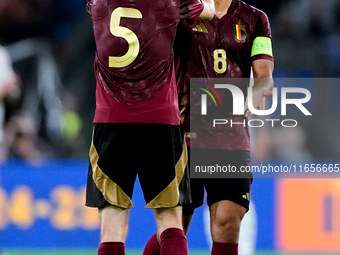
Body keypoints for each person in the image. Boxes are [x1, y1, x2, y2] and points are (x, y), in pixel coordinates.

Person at [143, 0, 274, 254]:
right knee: (174, 227)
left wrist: (260, 90)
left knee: (228, 221)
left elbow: (264, 73)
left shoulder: (256, 19)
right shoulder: (183, 11)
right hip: (182, 135)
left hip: (230, 139)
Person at [85, 1, 215, 255]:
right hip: (161, 121)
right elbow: (208, 12)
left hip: (111, 122)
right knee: (169, 222)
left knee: (112, 228)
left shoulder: (99, 3)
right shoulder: (171, 2)